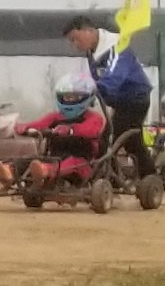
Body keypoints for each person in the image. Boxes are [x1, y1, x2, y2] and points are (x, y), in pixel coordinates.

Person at [64, 15, 151, 178]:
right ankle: (143, 178)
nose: (75, 45)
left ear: (88, 31)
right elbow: (97, 78)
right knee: (126, 140)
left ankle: (113, 179)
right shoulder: (92, 52)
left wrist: (96, 89)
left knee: (115, 140)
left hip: (135, 98)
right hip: (120, 102)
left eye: (75, 39)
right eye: (71, 41)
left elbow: (114, 76)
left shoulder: (117, 46)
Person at [20, 74, 109, 185]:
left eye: (75, 97)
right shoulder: (56, 116)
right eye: (67, 97)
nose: (70, 100)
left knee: (72, 162)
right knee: (33, 159)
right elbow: (40, 124)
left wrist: (71, 130)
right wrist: (25, 127)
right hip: (55, 158)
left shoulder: (94, 117)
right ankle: (10, 170)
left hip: (83, 164)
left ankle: (46, 171)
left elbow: (90, 130)